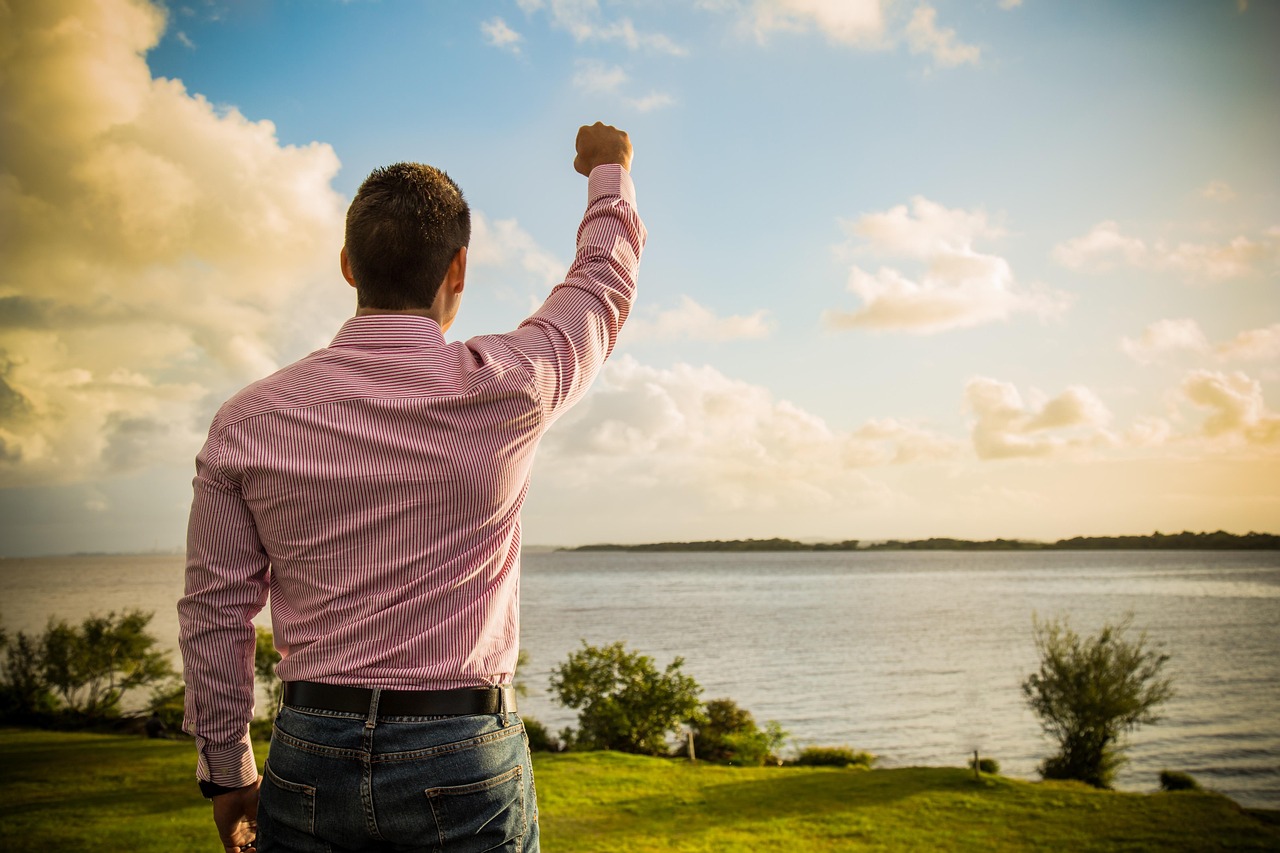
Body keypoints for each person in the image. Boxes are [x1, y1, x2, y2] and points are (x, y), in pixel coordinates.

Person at [178, 121, 644, 853]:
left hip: (309, 753)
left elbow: (215, 608)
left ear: (347, 265)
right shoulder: (509, 385)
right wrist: (608, 173)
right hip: (463, 751)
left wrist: (226, 768)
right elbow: (600, 288)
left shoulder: (248, 419)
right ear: (458, 268)